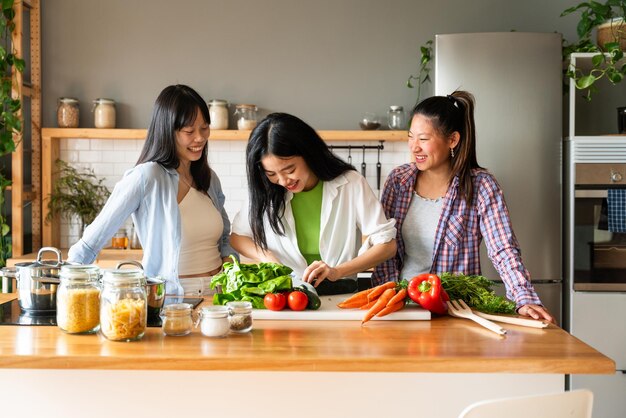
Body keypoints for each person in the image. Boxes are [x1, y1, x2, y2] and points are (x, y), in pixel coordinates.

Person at [372, 91, 555, 323]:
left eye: (424, 139)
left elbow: (503, 249)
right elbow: (385, 250)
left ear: (453, 140)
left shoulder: (481, 185)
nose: (414, 147)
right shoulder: (399, 181)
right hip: (404, 308)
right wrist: (390, 297)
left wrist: (525, 298)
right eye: (411, 137)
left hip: (457, 310)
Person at [68, 84, 236, 296]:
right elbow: (91, 242)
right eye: (189, 131)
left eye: (204, 128)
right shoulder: (146, 177)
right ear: (168, 131)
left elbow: (224, 240)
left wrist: (230, 268)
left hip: (218, 296)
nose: (200, 138)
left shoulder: (209, 179)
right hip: (174, 299)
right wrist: (67, 287)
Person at [230, 112, 397, 295]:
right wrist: (267, 257)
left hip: (341, 294)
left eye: (290, 169)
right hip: (285, 297)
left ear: (308, 152)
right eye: (272, 174)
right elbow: (238, 237)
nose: (283, 181)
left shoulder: (351, 183)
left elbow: (387, 246)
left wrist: (337, 271)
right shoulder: (266, 190)